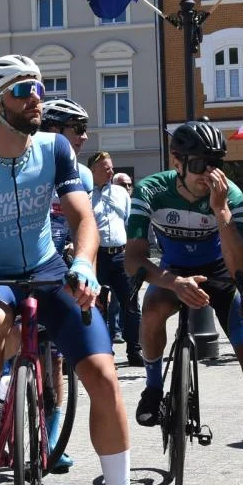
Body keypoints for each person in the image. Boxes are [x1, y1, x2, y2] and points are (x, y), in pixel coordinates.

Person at [0, 54, 166, 485]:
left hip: (50, 272)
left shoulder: (55, 150)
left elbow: (82, 218)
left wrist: (84, 264)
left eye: (38, 87)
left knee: (104, 377)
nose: (37, 97)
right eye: (23, 90)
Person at [126, 121, 243, 485]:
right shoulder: (151, 190)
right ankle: (153, 387)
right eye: (199, 164)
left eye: (216, 164)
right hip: (174, 272)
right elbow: (133, 260)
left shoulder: (230, 194)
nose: (208, 175)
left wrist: (221, 211)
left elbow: (240, 267)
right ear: (177, 161)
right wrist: (172, 283)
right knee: (152, 309)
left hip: (221, 274)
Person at [39, 97, 95, 469]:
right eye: (78, 128)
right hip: (23, 268)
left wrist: (86, 268)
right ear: (54, 130)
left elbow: (85, 227)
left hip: (60, 271)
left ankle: (51, 439)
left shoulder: (83, 177)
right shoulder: (29, 166)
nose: (84, 136)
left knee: (56, 360)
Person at [90, 150, 141, 366]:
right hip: (97, 257)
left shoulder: (121, 193)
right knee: (98, 306)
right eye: (105, 168)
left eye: (111, 168)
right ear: (93, 170)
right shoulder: (85, 195)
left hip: (120, 255)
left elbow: (128, 221)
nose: (110, 171)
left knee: (131, 303)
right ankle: (104, 352)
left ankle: (135, 350)